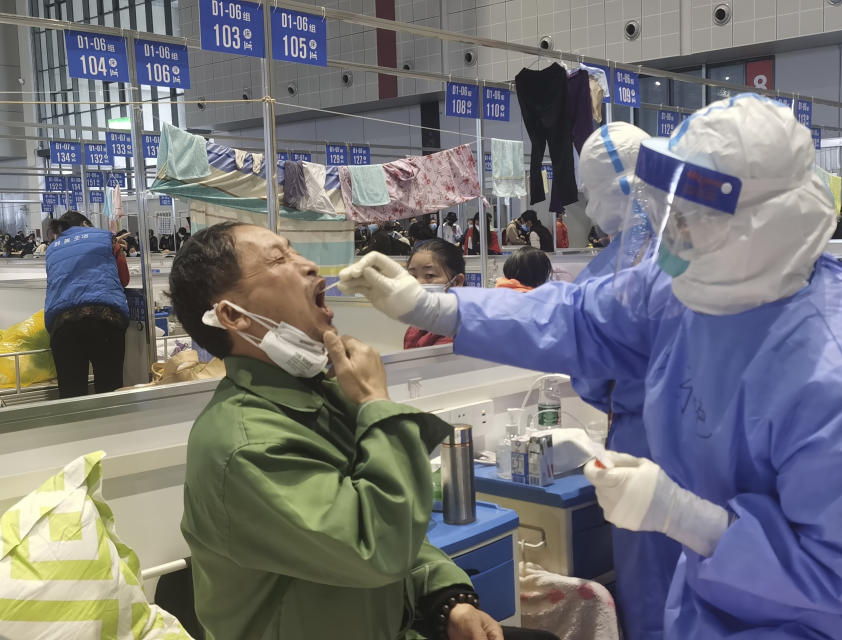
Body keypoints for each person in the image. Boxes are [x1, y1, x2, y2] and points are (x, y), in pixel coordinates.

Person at [338, 95, 842, 638]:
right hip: (712, 599)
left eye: (693, 219)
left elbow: (836, 574)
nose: (670, 237)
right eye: (669, 213)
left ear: (766, 225)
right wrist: (432, 305)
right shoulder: (696, 281)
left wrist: (686, 517)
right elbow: (578, 318)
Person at [344, 120, 681, 640]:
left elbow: (569, 323)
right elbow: (566, 317)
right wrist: (431, 306)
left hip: (668, 457)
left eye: (589, 193)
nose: (587, 209)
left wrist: (433, 308)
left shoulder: (657, 271)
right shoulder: (664, 263)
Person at [168, 221, 531, 640]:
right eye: (279, 259)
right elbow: (379, 544)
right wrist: (376, 403)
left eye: (295, 250)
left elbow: (402, 532)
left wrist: (445, 598)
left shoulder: (314, 398)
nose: (307, 265)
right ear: (233, 315)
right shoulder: (246, 446)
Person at [44, 210, 130, 398]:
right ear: (84, 224)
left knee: (71, 395)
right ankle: (112, 427)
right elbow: (123, 279)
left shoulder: (51, 248)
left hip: (63, 323)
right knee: (110, 391)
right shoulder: (107, 238)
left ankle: (75, 427)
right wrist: (118, 249)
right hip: (105, 318)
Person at [404, 239, 466, 349]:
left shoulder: (459, 333)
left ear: (457, 282)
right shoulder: (417, 325)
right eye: (413, 276)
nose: (417, 283)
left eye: (430, 275)